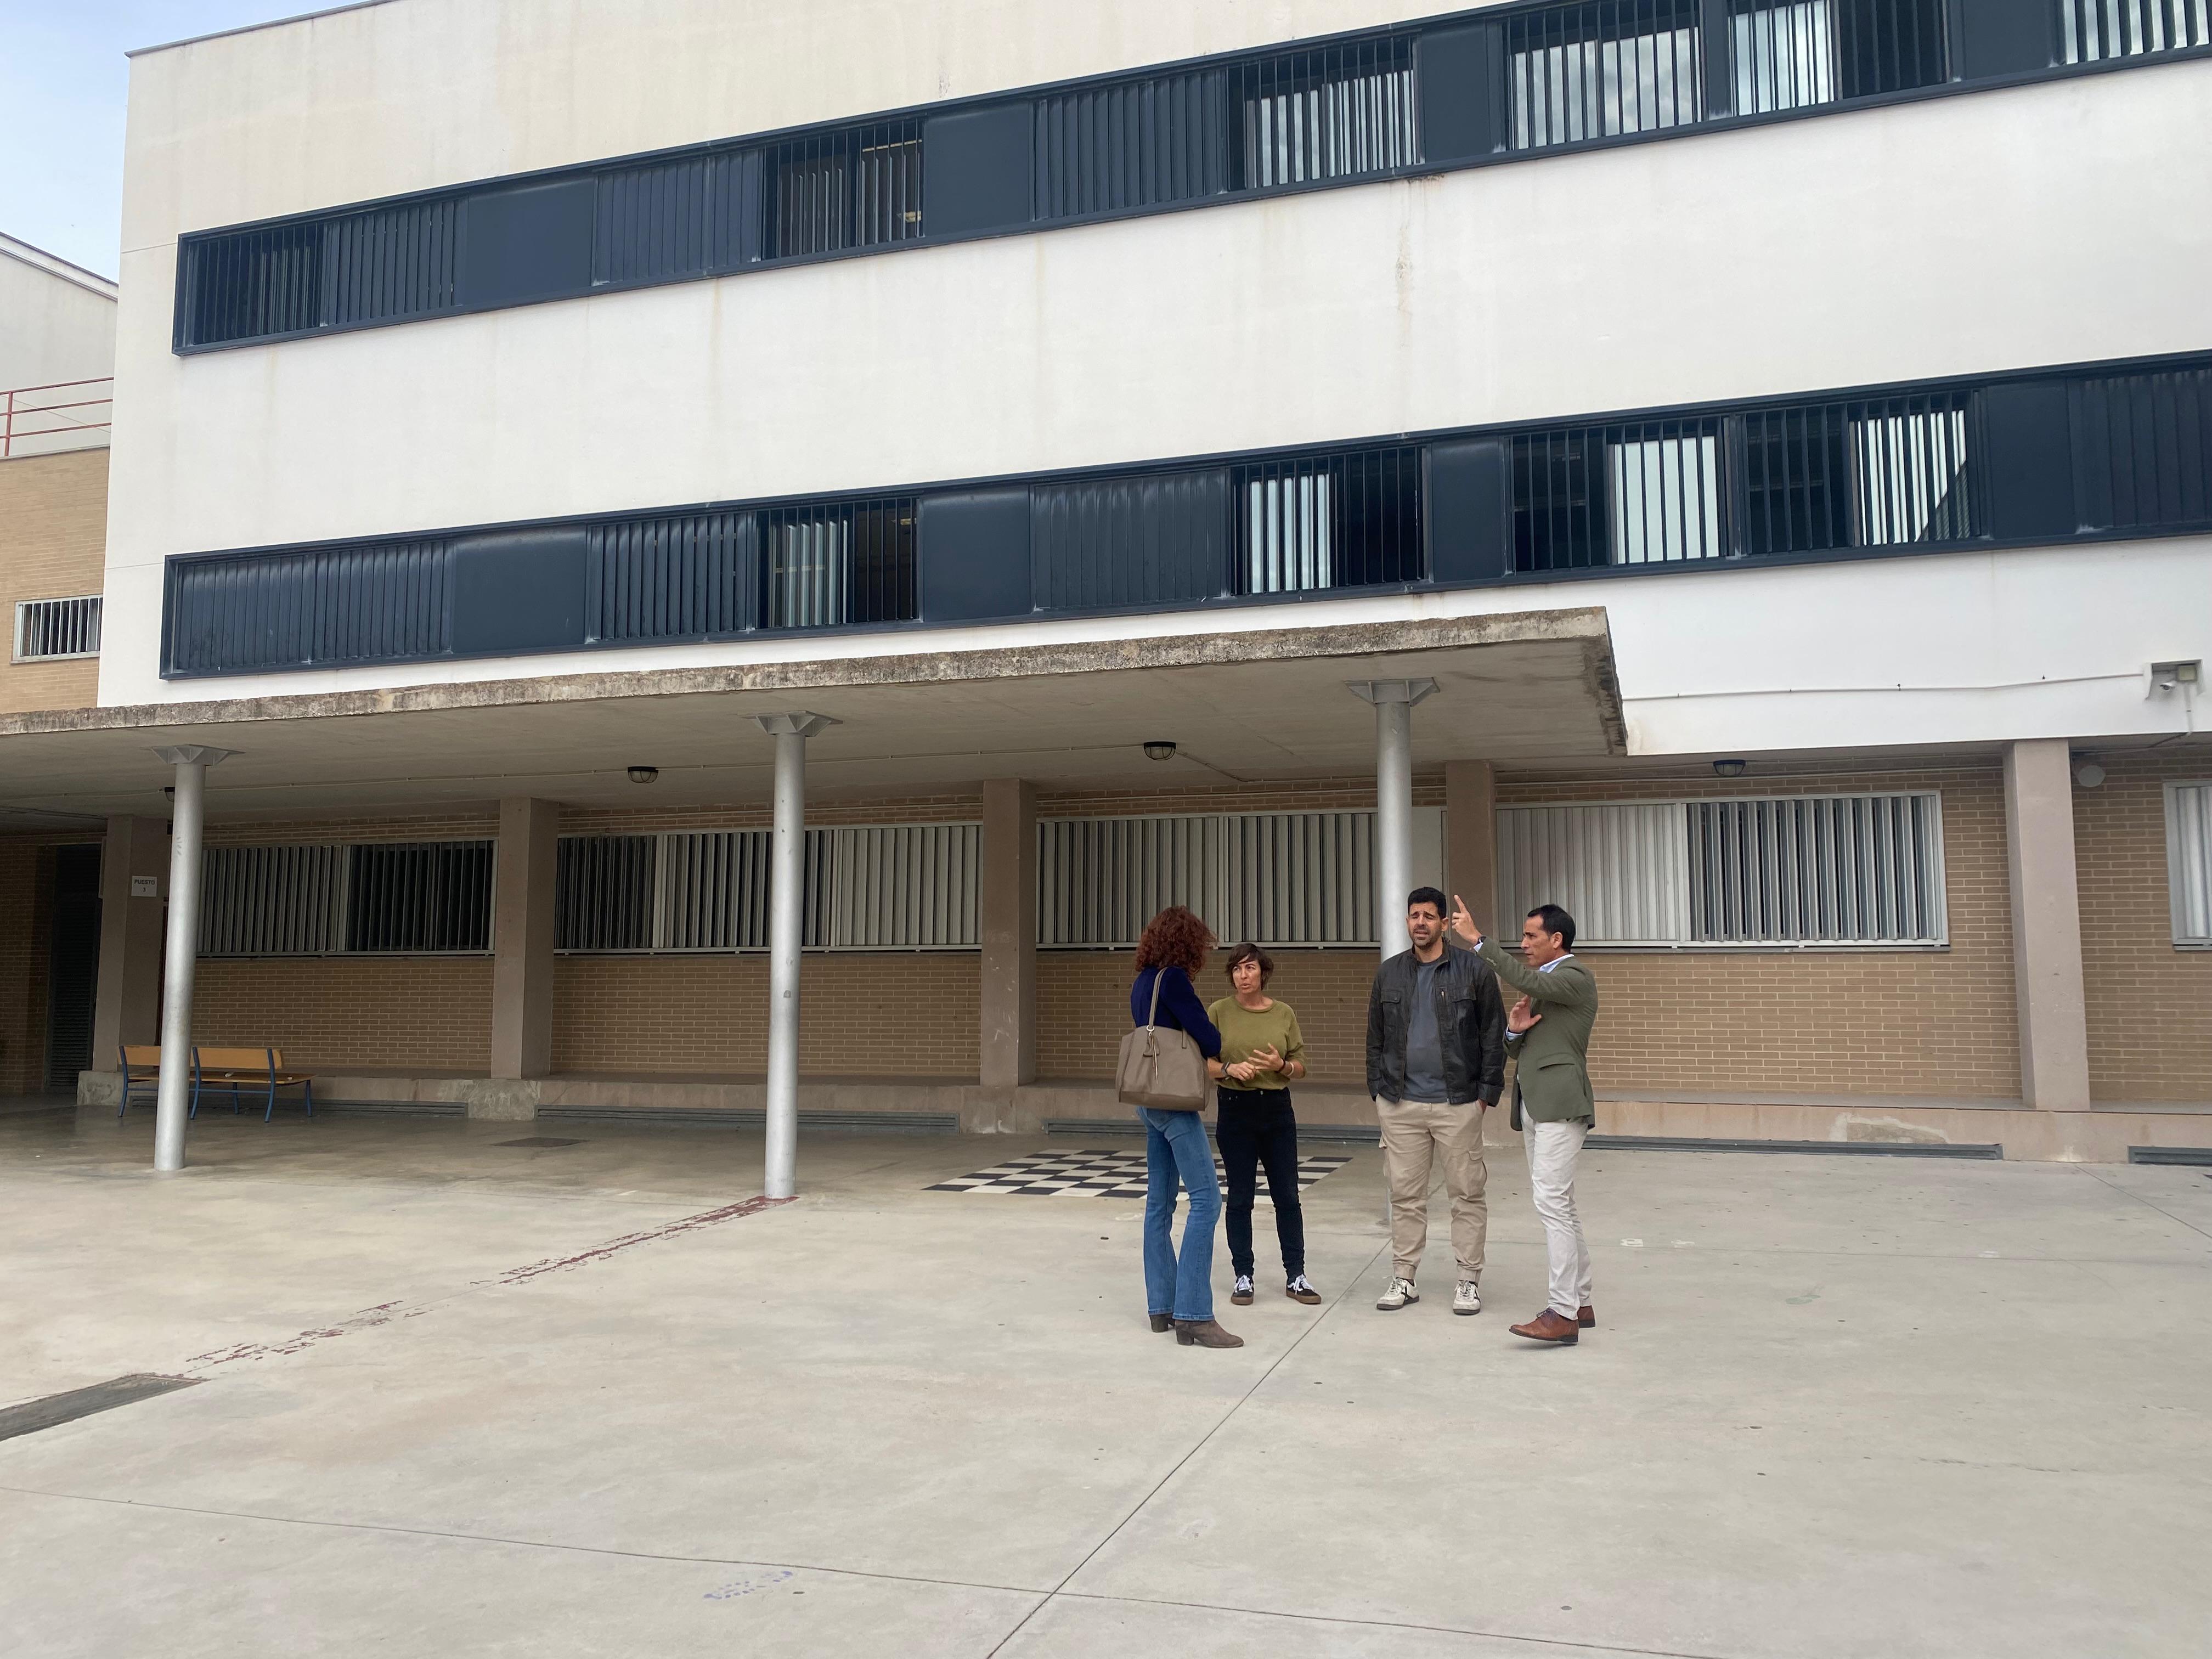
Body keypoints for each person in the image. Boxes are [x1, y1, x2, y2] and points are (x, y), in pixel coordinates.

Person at [1449, 897, 1599, 1347]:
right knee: (1562, 1205)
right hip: (1536, 1105)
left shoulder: (1574, 976)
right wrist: (1515, 1030)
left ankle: (1562, 1312)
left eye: (1531, 935)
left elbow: (1519, 975)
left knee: (1552, 1203)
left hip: (1560, 1105)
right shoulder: (1546, 985)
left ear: (1557, 939)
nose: (1524, 943)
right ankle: (1580, 1300)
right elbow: (1523, 1050)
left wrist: (1478, 941)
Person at [1364, 887, 1506, 1316]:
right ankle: (1404, 1277)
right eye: (1414, 916)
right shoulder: (1390, 974)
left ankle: (1468, 1281)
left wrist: (1485, 1096)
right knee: (1404, 1195)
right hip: (1400, 1103)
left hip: (1458, 1102)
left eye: (1429, 916)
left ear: (1444, 923)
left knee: (1466, 1194)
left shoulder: (1473, 971)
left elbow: (1492, 1035)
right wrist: (1379, 1091)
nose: (1420, 923)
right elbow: (1375, 1039)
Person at [1130, 905, 1242, 1349]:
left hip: (1147, 1099)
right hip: (1174, 1103)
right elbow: (1209, 1039)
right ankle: (1194, 1314)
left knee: (1159, 1204)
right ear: (1187, 944)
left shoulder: (1142, 981)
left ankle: (1162, 1306)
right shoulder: (1173, 980)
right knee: (1207, 1200)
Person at [1207, 943, 1322, 1308]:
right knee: (1240, 1197)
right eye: (1238, 969)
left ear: (1264, 972)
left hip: (1276, 1109)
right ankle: (1244, 1275)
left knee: (1287, 1196)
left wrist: (1282, 1066)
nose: (1244, 976)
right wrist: (1228, 1069)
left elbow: (1301, 1065)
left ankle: (1297, 1275)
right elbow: (1203, 1062)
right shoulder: (1219, 1012)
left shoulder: (1283, 1013)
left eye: (1251, 968)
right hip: (1235, 1108)